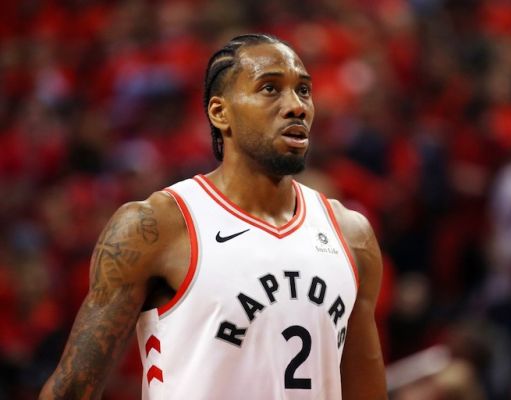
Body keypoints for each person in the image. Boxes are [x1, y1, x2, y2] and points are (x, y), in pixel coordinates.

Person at [39, 33, 387, 399]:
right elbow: (71, 390)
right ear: (220, 112)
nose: (296, 105)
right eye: (270, 88)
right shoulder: (158, 226)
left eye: (303, 90)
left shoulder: (351, 235)